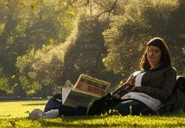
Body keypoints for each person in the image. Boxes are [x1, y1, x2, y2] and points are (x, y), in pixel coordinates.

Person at [29, 37, 177, 119]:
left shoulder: (168, 71)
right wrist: (122, 88)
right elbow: (122, 90)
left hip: (143, 102)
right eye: (148, 51)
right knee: (66, 97)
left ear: (163, 53)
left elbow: (165, 94)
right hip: (121, 97)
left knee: (111, 109)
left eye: (155, 51)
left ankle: (53, 113)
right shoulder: (138, 73)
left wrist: (139, 88)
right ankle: (52, 108)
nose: (151, 55)